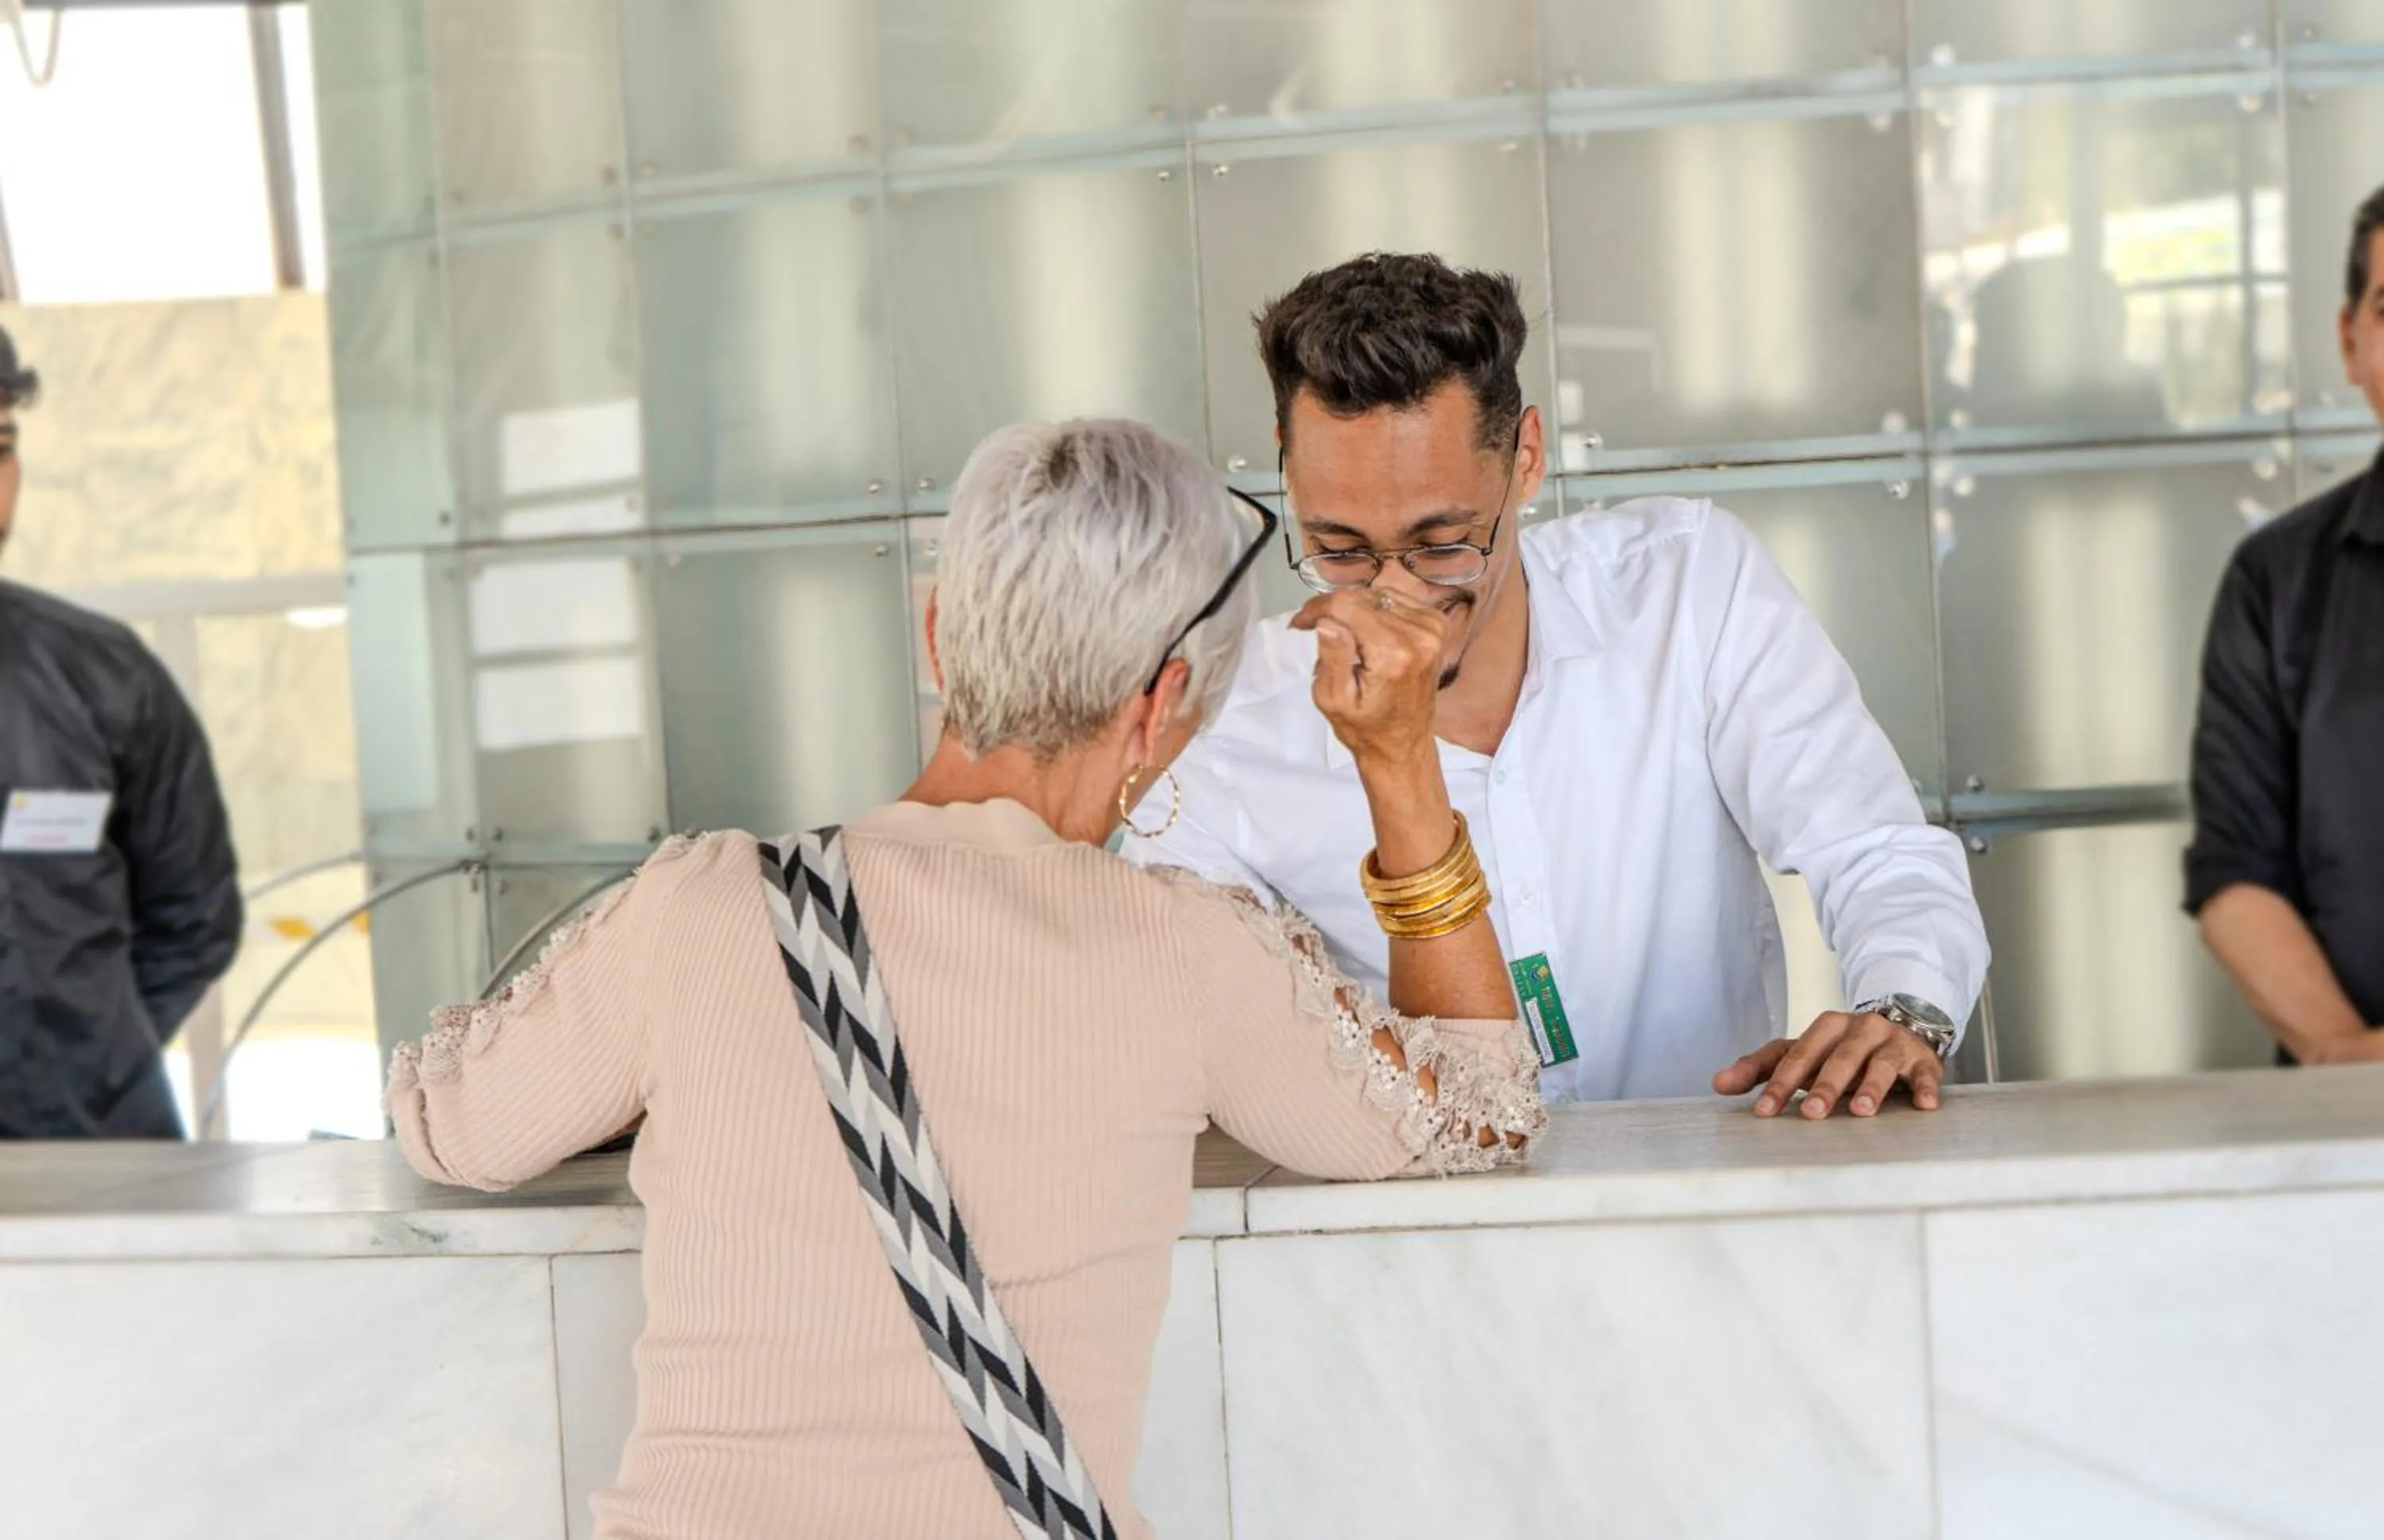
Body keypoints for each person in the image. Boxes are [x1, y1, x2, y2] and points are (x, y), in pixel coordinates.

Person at [386, 418, 1542, 1539]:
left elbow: (449, 1124)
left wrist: (680, 1064)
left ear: (938, 636)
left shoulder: (697, 907)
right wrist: (1398, 761)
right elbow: (1487, 1109)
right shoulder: (1187, 953)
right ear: (1161, 703)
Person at [1127, 253, 1991, 1118]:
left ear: (1527, 459)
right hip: (1417, 1236)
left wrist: (1900, 1007)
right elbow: (1202, 1060)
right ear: (1287, 465)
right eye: (1340, 548)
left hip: (1712, 1202)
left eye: (1443, 542)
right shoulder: (1220, 735)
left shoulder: (1685, 586)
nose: (1396, 594)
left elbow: (1874, 850)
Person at [0, 322, 243, 1138]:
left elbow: (196, 914)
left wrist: (91, 1059)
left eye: (1, 442)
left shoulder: (102, 674)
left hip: (98, 1165)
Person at [2186, 184, 2384, 1065]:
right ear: (2352, 341)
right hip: (2351, 1129)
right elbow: (2237, 870)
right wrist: (2349, 1061)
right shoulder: (2276, 581)